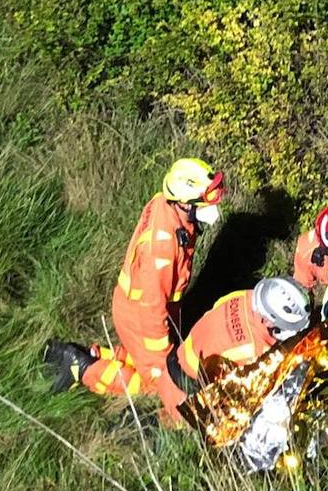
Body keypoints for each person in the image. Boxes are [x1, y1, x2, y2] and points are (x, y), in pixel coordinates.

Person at [44, 157, 225, 407]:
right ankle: (83, 369)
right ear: (185, 201)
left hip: (134, 307)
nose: (212, 208)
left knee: (145, 361)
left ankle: (93, 355)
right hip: (143, 317)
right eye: (205, 202)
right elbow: (152, 306)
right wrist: (162, 352)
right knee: (157, 385)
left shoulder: (165, 205)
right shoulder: (163, 248)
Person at [168, 277, 311, 388]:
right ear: (269, 321)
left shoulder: (244, 296)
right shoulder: (257, 350)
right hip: (188, 389)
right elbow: (251, 389)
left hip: (179, 355)